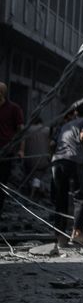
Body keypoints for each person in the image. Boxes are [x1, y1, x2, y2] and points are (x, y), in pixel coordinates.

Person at [49, 105, 83, 246]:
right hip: (75, 160)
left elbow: (52, 144)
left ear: (75, 113)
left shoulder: (66, 125)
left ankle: (60, 237)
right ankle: (77, 233)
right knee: (80, 196)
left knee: (60, 198)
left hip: (57, 161)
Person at [0, 83, 25, 213]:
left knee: (2, 185)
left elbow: (21, 131)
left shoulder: (14, 108)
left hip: (6, 152)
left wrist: (21, 150)